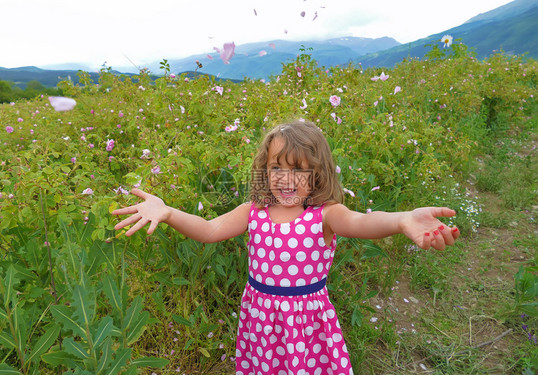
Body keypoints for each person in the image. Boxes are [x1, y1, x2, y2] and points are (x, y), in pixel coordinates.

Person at [112, 120, 460, 375]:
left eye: (299, 170)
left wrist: (401, 219)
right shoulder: (254, 212)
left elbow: (361, 223)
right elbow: (207, 229)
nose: (286, 179)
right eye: (276, 167)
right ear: (264, 170)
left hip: (306, 328)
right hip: (261, 322)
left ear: (318, 174)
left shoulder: (326, 215)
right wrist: (168, 211)